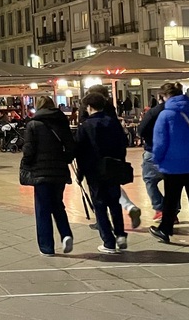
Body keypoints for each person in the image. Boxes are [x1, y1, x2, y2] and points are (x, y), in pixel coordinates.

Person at [148, 82, 189, 253]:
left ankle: (165, 230)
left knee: (171, 199)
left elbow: (160, 142)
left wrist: (157, 159)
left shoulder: (165, 115)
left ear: (165, 97)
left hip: (172, 166)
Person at [20, 95, 75, 256]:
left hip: (40, 172)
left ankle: (47, 247)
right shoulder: (62, 122)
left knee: (43, 209)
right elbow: (71, 147)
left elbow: (29, 150)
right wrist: (63, 159)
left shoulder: (33, 125)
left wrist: (26, 163)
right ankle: (66, 234)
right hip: (59, 171)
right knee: (58, 204)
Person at [75, 91, 130, 254]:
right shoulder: (113, 122)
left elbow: (80, 150)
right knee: (115, 202)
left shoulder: (85, 126)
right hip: (113, 167)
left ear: (89, 107)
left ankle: (108, 241)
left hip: (94, 170)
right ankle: (120, 234)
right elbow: (123, 144)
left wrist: (80, 173)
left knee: (99, 205)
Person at [138, 86, 180, 224]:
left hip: (153, 150)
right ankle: (173, 211)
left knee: (150, 180)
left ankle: (160, 208)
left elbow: (141, 130)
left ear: (161, 97)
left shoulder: (155, 112)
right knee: (173, 183)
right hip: (176, 152)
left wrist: (150, 139)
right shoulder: (184, 110)